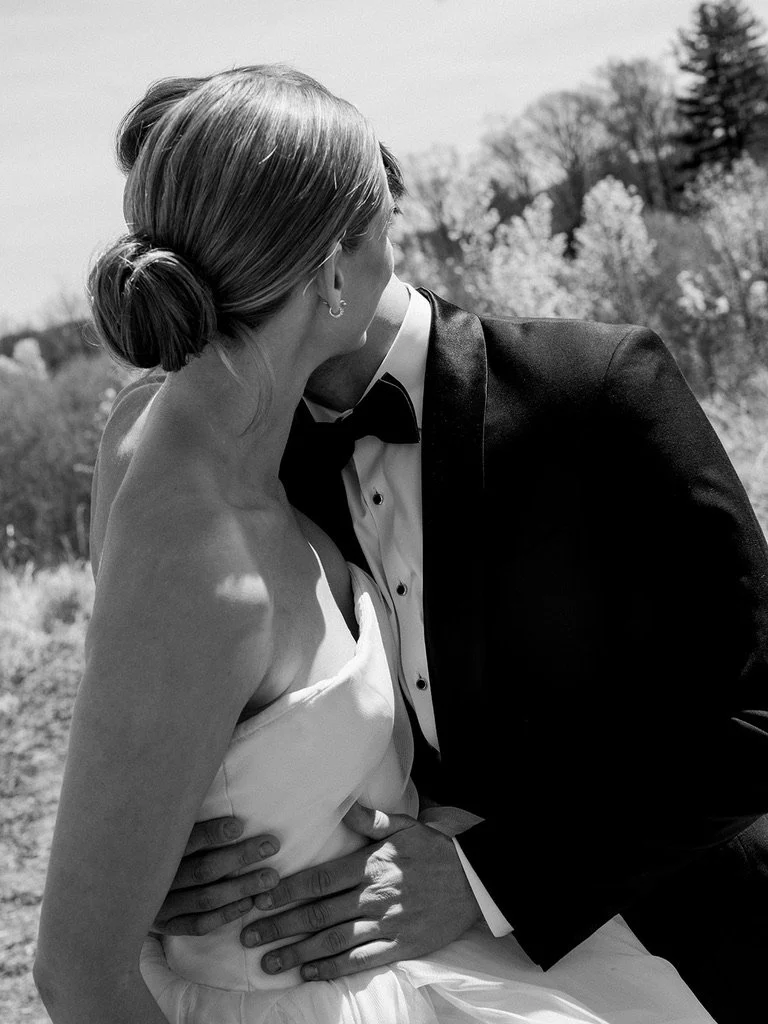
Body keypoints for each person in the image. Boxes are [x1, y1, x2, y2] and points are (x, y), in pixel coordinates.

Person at [33, 65, 717, 1024]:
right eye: (383, 219)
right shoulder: (210, 470)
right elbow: (82, 941)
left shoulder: (594, 391)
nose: (401, 240)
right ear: (330, 270)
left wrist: (483, 880)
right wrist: (141, 879)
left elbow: (752, 715)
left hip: (660, 924)